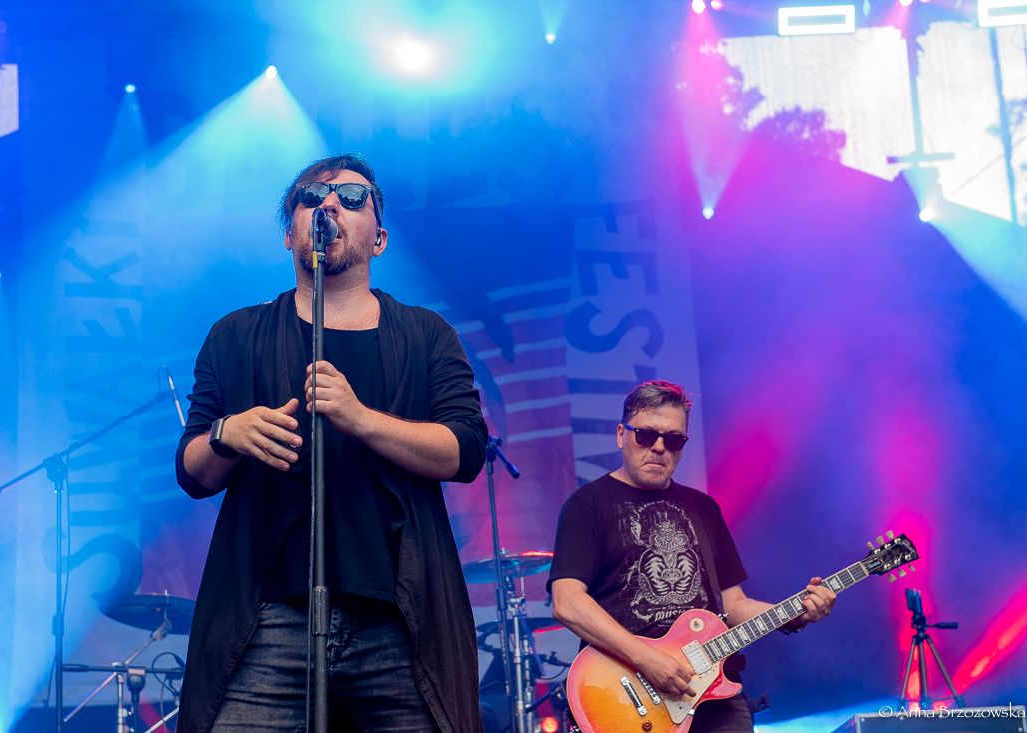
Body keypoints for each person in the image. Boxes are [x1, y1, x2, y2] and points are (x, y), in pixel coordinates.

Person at [174, 153, 488, 732]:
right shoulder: (235, 335)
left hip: (398, 624)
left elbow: (465, 450)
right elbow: (192, 471)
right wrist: (227, 434)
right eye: (313, 195)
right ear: (289, 232)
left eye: (353, 196)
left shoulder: (426, 334)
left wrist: (360, 418)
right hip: (267, 620)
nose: (331, 204)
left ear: (380, 239)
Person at [547, 380, 835, 732]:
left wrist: (796, 614)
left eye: (673, 440)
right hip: (632, 698)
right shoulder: (587, 505)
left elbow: (734, 604)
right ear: (622, 435)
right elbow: (567, 602)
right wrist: (647, 659)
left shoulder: (703, 508)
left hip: (715, 695)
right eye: (646, 435)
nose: (659, 447)